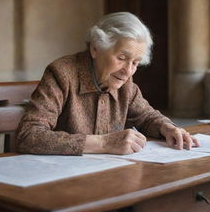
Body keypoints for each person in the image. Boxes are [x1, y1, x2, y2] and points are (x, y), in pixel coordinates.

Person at [16, 12, 199, 156]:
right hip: (59, 179)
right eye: (121, 58)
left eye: (135, 62)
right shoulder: (62, 73)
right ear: (95, 48)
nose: (127, 71)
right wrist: (104, 143)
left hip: (106, 176)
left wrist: (167, 128)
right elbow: (28, 135)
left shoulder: (125, 83)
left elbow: (146, 116)